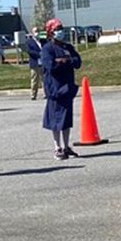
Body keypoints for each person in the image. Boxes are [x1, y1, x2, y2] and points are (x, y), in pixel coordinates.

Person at [40, 18, 82, 160]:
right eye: (57, 29)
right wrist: (63, 62)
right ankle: (57, 147)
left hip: (68, 88)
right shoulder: (47, 49)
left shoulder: (67, 47)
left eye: (61, 28)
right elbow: (50, 66)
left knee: (66, 120)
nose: (60, 31)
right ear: (51, 32)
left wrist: (65, 60)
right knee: (56, 120)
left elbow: (77, 62)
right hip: (55, 89)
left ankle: (66, 146)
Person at [25, 27, 45, 100]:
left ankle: (46, 94)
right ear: (32, 33)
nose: (37, 33)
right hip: (35, 63)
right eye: (36, 31)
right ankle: (33, 95)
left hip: (43, 63)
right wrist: (39, 54)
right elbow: (29, 51)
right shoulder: (29, 42)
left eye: (38, 31)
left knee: (44, 79)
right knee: (35, 80)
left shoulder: (43, 41)